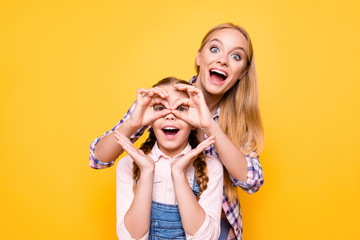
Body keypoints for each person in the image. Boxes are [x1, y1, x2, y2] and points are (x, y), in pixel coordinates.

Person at [89, 23, 264, 240]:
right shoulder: (165, 99)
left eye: (236, 56)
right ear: (199, 57)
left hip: (210, 230)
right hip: (155, 224)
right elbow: (97, 159)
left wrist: (210, 126)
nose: (222, 60)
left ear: (242, 73)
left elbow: (252, 181)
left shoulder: (239, 121)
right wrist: (133, 123)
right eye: (215, 49)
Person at [115, 77, 223, 239]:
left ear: (194, 122)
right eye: (160, 108)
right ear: (149, 120)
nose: (170, 116)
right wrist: (146, 172)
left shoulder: (211, 167)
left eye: (181, 108)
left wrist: (178, 173)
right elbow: (129, 238)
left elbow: (206, 238)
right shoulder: (128, 165)